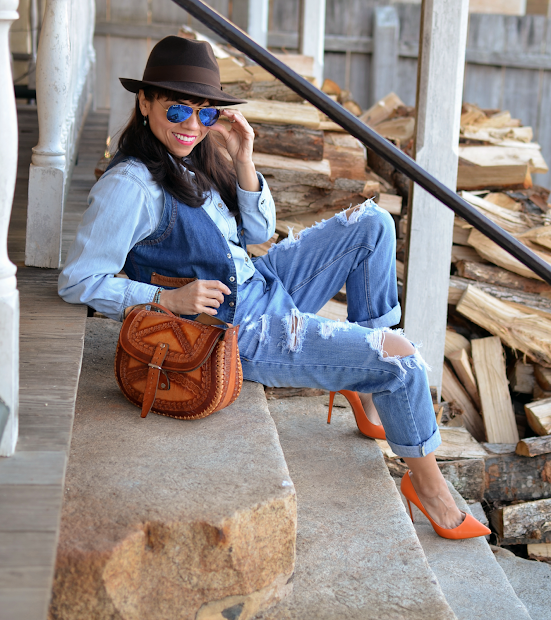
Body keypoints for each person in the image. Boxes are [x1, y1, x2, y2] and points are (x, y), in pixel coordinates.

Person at [59, 36, 490, 540]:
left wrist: (243, 159)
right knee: (401, 358)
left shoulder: (197, 156)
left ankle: (368, 393)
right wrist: (163, 299)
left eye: (206, 114)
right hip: (238, 329)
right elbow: (78, 280)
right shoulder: (131, 186)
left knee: (371, 224)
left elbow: (260, 236)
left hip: (262, 282)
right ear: (146, 102)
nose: (191, 126)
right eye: (177, 109)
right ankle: (430, 490)